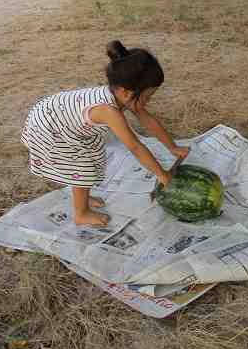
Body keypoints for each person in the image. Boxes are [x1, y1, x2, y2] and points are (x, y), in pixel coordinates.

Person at [21, 40, 190, 227]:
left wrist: (173, 147)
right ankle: (81, 213)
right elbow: (134, 146)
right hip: (49, 129)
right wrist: (162, 174)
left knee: (91, 159)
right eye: (147, 97)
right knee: (82, 168)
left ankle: (81, 196)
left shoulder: (123, 95)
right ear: (125, 92)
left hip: (59, 119)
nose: (148, 102)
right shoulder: (108, 111)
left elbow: (148, 120)